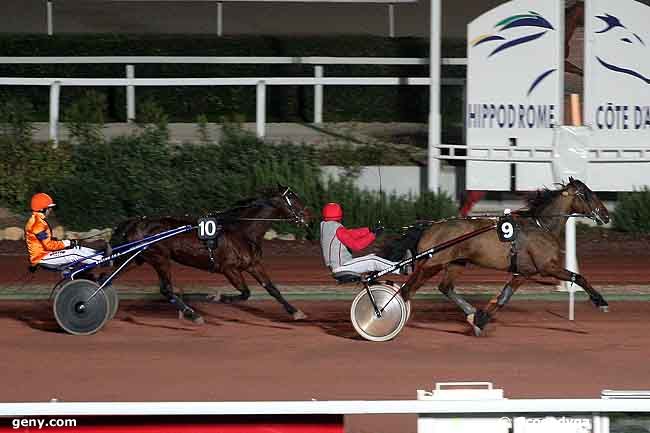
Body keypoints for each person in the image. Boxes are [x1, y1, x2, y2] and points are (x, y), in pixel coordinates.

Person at [319, 202, 402, 276]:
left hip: (337, 266)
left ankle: (396, 264)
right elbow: (357, 246)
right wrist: (373, 235)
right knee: (372, 260)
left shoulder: (325, 226)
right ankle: (400, 268)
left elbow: (350, 233)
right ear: (340, 214)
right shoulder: (337, 229)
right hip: (342, 267)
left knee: (373, 256)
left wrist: (369, 230)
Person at [24, 193, 102, 270]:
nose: (51, 210)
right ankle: (104, 261)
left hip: (45, 254)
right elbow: (48, 245)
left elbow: (45, 242)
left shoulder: (38, 220)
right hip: (43, 257)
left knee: (78, 248)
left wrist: (67, 243)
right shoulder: (37, 223)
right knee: (74, 253)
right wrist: (67, 243)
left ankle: (100, 254)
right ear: (42, 209)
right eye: (49, 207)